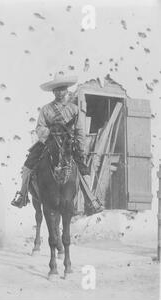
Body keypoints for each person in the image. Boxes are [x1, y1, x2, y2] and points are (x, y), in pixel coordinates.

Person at [11, 73, 102, 212]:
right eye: (57, 90)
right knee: (27, 166)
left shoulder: (73, 109)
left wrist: (80, 148)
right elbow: (40, 127)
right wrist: (50, 134)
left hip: (68, 144)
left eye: (62, 89)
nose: (60, 92)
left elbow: (79, 130)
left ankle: (90, 200)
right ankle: (22, 195)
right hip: (49, 141)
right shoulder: (46, 109)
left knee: (83, 170)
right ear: (53, 91)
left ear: (67, 90)